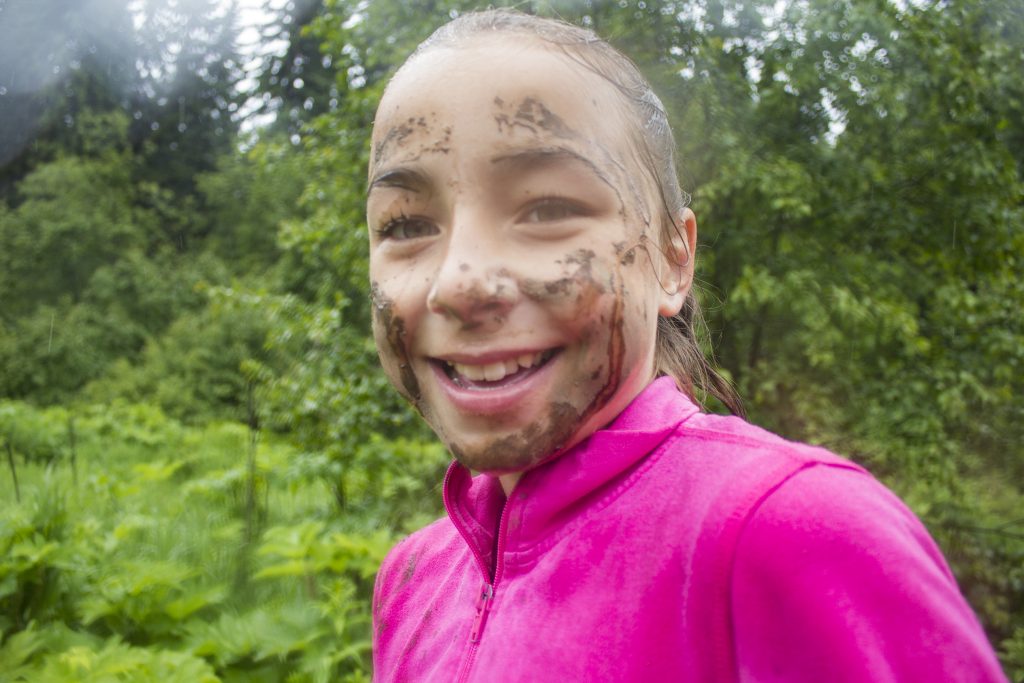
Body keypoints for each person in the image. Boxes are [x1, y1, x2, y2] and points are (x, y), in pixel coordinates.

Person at [365, 9, 1008, 682]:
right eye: (406, 223)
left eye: (547, 209)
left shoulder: (796, 531)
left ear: (674, 258)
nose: (460, 283)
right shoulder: (413, 580)